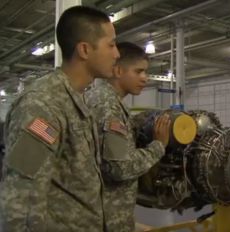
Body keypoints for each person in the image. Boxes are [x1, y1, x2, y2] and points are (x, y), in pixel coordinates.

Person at [0, 6, 120, 231]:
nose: (117, 54)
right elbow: (21, 203)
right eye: (111, 45)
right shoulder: (44, 106)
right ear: (84, 50)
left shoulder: (76, 99)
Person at [85, 42, 170, 232]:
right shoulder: (110, 107)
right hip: (108, 215)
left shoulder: (95, 97)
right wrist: (158, 145)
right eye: (138, 71)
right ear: (117, 71)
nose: (145, 78)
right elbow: (120, 168)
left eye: (146, 72)